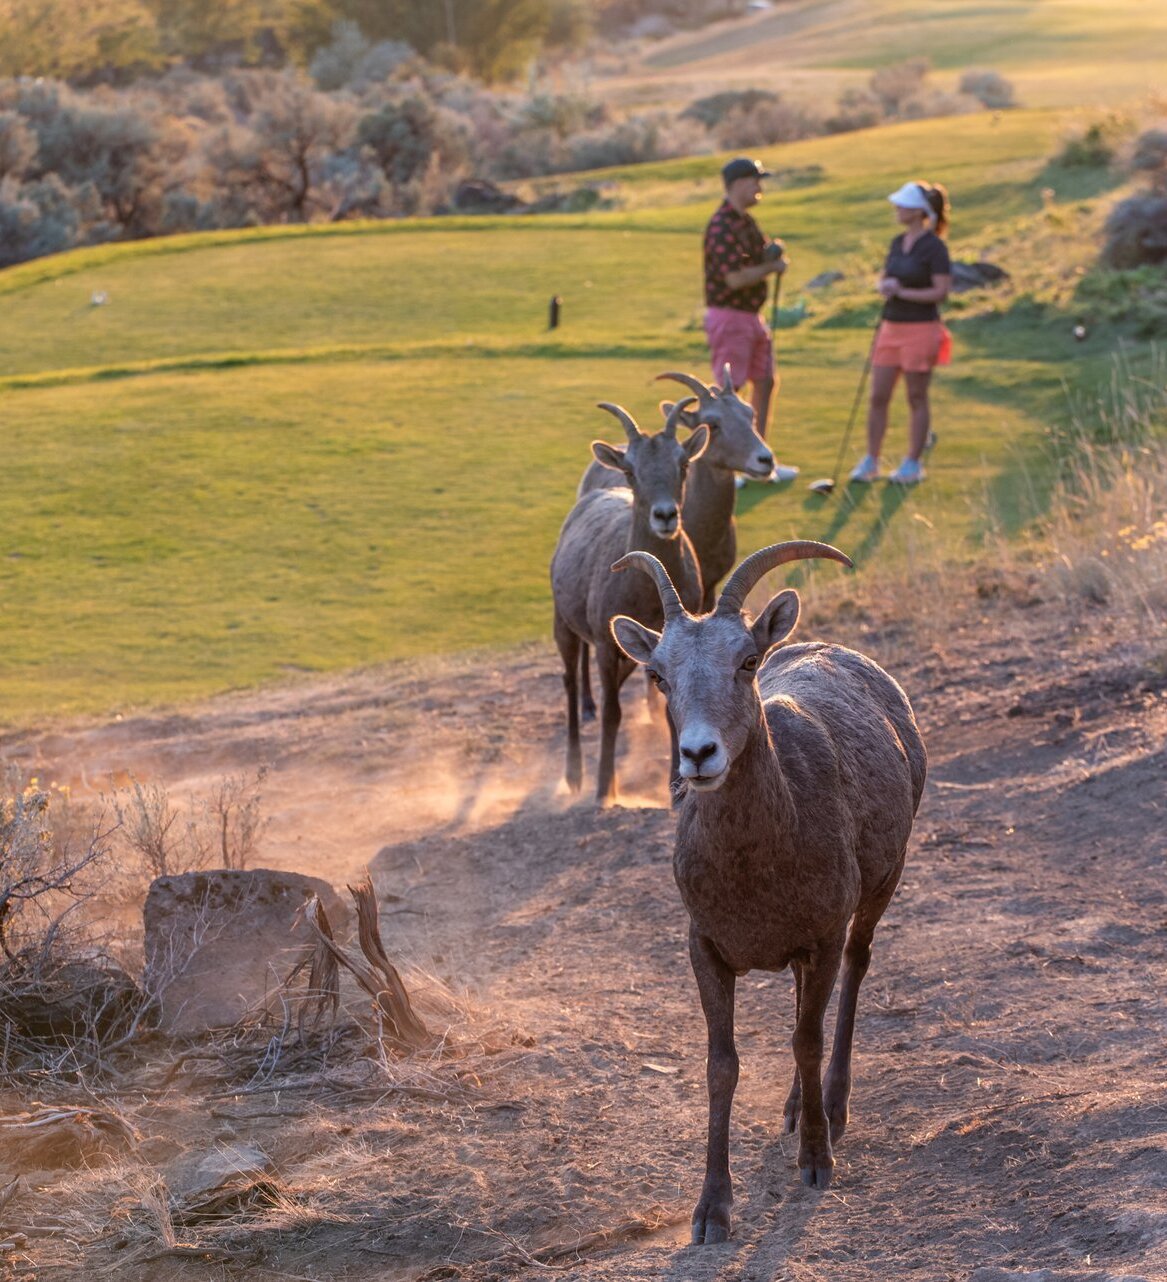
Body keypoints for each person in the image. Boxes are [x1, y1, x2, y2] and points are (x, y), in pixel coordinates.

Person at [703, 156, 799, 483]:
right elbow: (734, 279)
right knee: (731, 392)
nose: (759, 187)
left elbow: (755, 260)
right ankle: (730, 464)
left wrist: (770, 253)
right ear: (737, 184)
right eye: (755, 181)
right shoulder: (721, 226)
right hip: (729, 316)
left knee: (766, 381)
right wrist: (771, 268)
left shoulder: (746, 223)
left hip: (751, 317)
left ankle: (760, 458)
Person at [851, 180, 952, 486]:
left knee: (916, 396)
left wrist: (902, 291)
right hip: (890, 327)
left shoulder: (934, 247)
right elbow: (890, 277)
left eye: (903, 205)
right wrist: (885, 286)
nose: (897, 208)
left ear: (919, 211)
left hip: (921, 328)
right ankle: (871, 460)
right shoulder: (898, 243)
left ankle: (912, 464)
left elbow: (940, 291)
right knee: (878, 396)